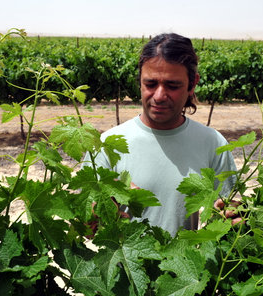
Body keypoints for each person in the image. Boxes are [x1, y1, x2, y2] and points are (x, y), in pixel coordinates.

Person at [88, 33, 237, 237]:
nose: (159, 96)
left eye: (172, 86)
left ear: (192, 84)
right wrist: (96, 213)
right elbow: (86, 230)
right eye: (150, 84)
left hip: (184, 266)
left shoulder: (213, 144)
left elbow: (228, 219)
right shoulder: (106, 145)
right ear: (139, 82)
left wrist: (231, 218)